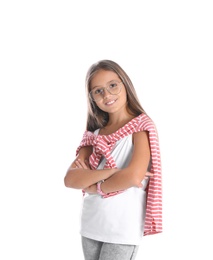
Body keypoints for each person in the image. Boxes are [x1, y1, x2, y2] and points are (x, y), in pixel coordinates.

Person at [64, 59, 162, 260]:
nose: (107, 94)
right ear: (92, 98)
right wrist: (114, 172)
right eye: (98, 91)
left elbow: (134, 177)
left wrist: (93, 183)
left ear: (125, 84)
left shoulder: (140, 127)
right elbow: (70, 180)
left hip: (121, 227)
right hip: (91, 223)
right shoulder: (94, 135)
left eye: (112, 86)